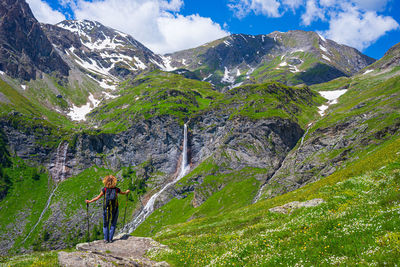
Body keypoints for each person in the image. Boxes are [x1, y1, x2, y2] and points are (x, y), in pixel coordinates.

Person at [86, 175, 130, 243]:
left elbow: (97, 198)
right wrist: (126, 192)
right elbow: (123, 193)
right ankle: (110, 239)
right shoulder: (116, 189)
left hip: (106, 209)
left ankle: (106, 239)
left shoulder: (104, 189)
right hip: (115, 208)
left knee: (105, 224)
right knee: (113, 223)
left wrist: (89, 201)